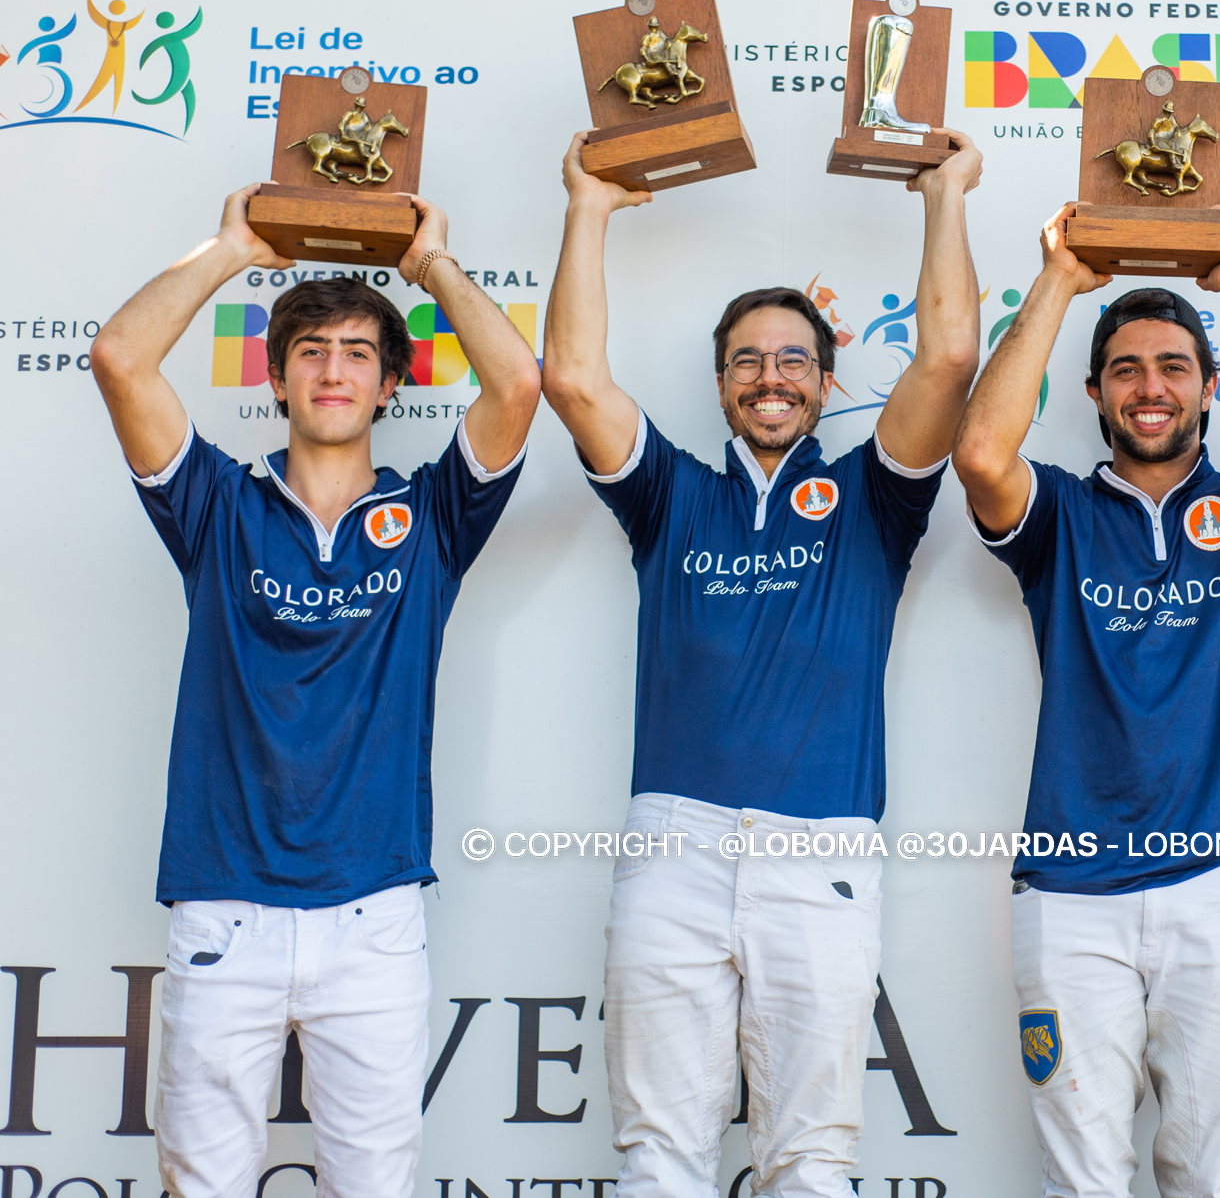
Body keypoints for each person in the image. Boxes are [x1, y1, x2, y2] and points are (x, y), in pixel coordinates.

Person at [539, 127, 984, 1198]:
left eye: (793, 358)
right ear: (721, 382)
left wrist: (945, 196)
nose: (769, 374)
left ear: (827, 384)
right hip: (674, 850)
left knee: (812, 1162)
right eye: (746, 358)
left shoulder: (876, 499)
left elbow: (951, 359)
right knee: (658, 1158)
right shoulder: (671, 493)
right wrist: (588, 206)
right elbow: (570, 376)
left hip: (821, 852)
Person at [88, 184, 542, 1198]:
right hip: (223, 910)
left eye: (356, 354)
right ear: (278, 378)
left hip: (374, 913)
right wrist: (234, 247)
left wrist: (426, 267)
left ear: (389, 387)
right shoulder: (215, 504)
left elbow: (517, 383)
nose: (332, 368)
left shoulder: (431, 517)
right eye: (310, 351)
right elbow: (121, 357)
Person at [951, 203, 1220, 1196]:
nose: (1150, 387)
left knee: (1209, 1178)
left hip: (1217, 891)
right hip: (1071, 896)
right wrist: (1058, 275)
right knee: (1082, 1181)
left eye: (1175, 366)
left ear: (1211, 388)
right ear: (1092, 389)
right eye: (1127, 367)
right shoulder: (1060, 512)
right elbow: (979, 458)